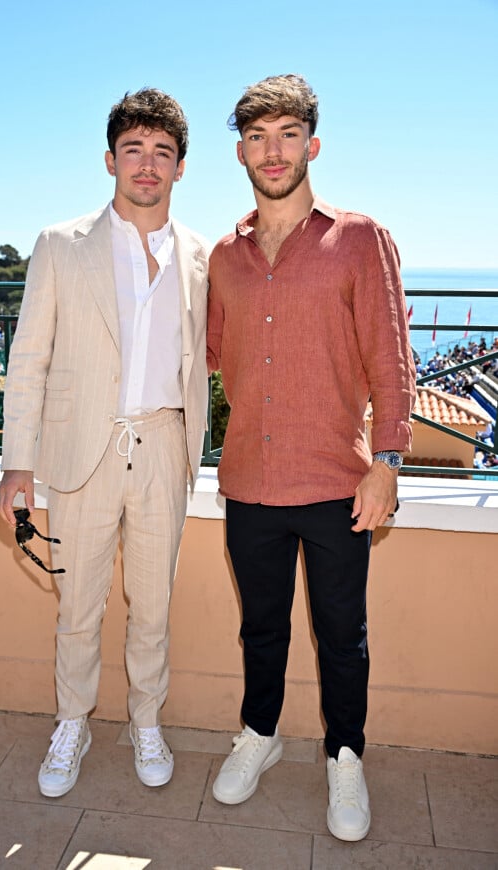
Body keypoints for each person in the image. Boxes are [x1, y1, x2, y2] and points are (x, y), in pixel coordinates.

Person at [207, 74, 416, 842]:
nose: (273, 150)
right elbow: (202, 355)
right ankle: (258, 736)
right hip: (249, 481)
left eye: (288, 134)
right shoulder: (223, 258)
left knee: (342, 634)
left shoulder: (359, 239)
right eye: (258, 136)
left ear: (312, 145)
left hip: (337, 481)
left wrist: (388, 459)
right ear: (240, 151)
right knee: (260, 628)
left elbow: (392, 357)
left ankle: (345, 754)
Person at [0, 88, 209, 798]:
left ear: (180, 168)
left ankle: (145, 721)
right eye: (133, 151)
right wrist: (15, 465)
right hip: (82, 452)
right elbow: (28, 358)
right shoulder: (62, 245)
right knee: (78, 608)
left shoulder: (200, 255)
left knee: (152, 608)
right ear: (110, 160)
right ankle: (73, 723)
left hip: (163, 447)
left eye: (162, 153)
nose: (147, 166)